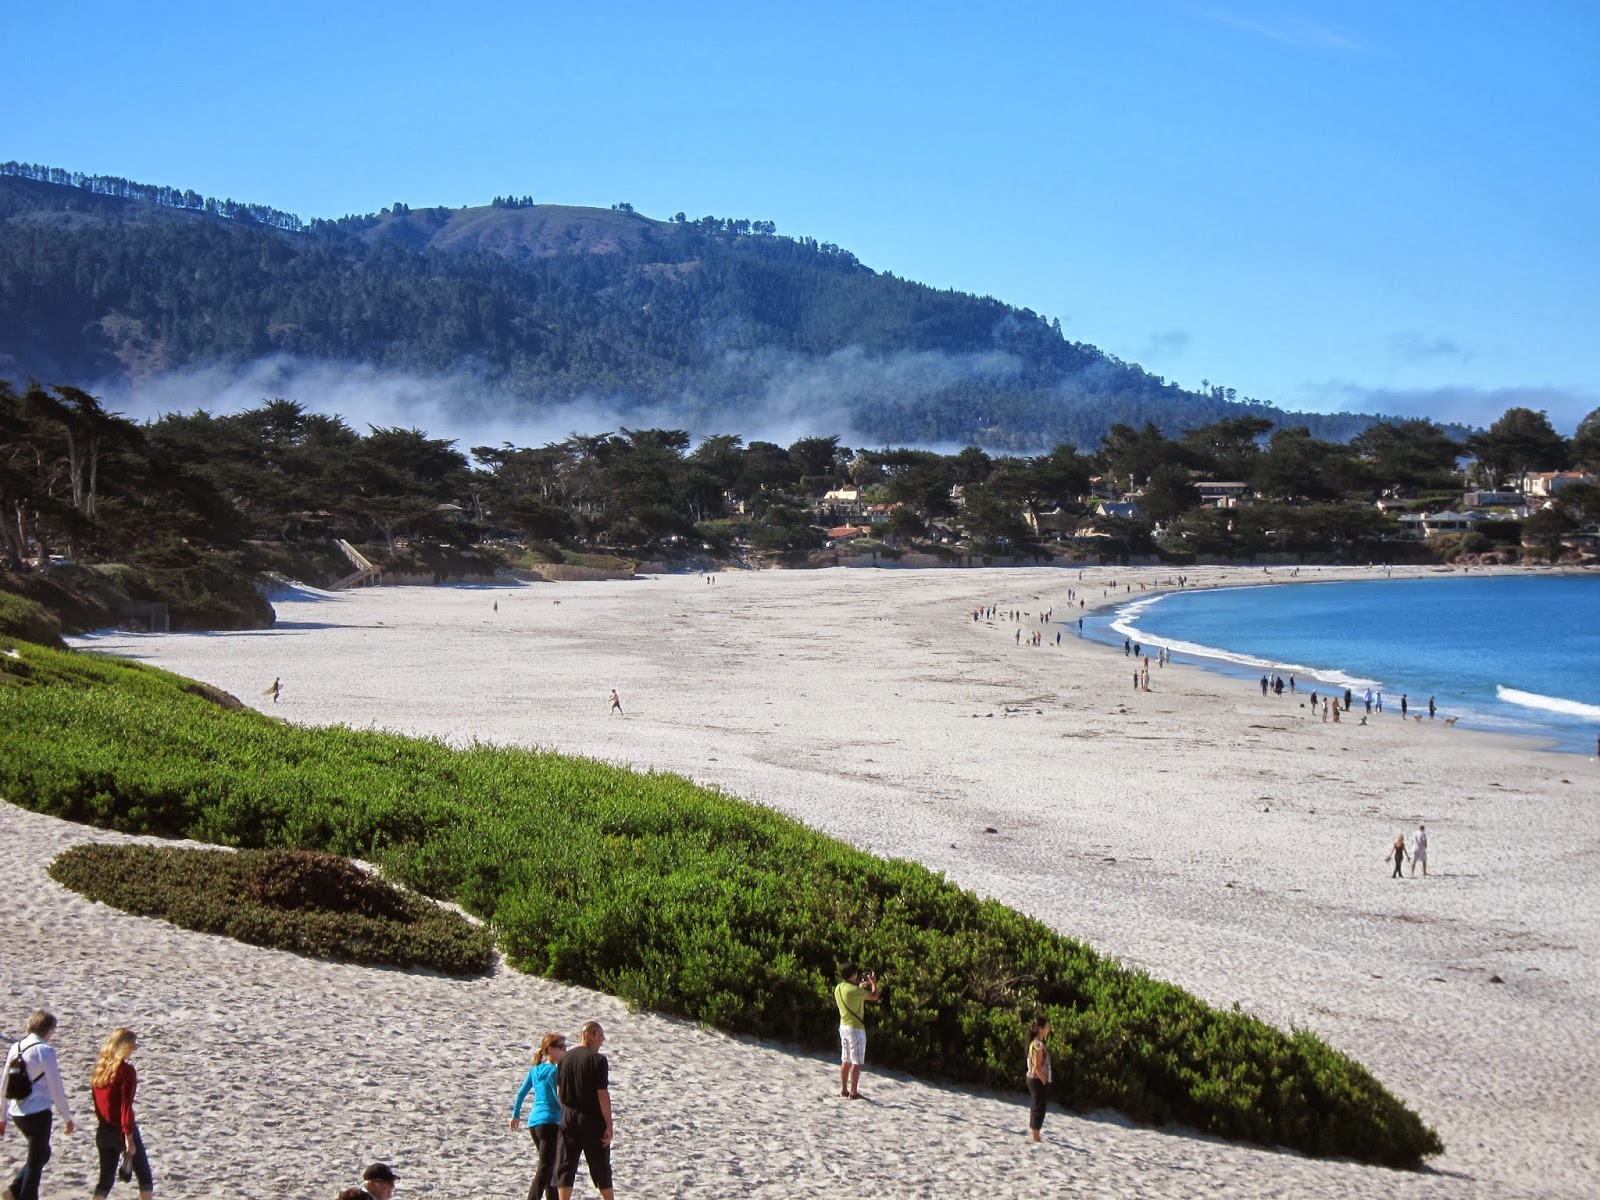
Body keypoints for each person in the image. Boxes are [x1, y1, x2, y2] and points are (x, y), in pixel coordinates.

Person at [0, 1009, 75, 1200]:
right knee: (35, 1165)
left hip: (17, 1112)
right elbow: (55, 1088)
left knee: (42, 1153)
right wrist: (67, 1117)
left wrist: (2, 1117)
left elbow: (4, 1085)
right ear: (48, 1029)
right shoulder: (45, 1051)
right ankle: (24, 1195)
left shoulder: (15, 1047)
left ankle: (15, 1189)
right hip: (39, 1113)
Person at [554, 1022, 614, 1200]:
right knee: (600, 1164)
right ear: (592, 1035)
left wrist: (566, 1110)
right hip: (591, 1117)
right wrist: (608, 1124)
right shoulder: (598, 1060)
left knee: (566, 1163)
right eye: (601, 1036)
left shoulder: (565, 1058)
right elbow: (602, 1094)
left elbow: (559, 1092)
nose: (602, 1041)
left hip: (568, 1115)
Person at [90, 1027, 152, 1200]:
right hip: (122, 1131)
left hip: (103, 1129)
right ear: (125, 1047)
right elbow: (125, 1107)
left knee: (105, 1181)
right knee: (145, 1178)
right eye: (133, 1046)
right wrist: (129, 1138)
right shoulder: (126, 1072)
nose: (134, 1050)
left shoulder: (100, 1070)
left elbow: (98, 1104)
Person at [511, 1033, 568, 1200]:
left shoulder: (535, 1069)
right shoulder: (553, 1072)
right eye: (561, 1047)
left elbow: (521, 1093)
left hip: (534, 1123)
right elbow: (559, 1098)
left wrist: (516, 1115)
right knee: (545, 1167)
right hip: (550, 1122)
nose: (564, 1050)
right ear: (550, 1049)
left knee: (550, 1166)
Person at [834, 964, 881, 1100]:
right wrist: (873, 983)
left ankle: (843, 1090)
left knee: (845, 1059)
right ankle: (853, 1092)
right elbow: (874, 996)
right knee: (856, 1062)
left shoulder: (839, 988)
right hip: (856, 1028)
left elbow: (854, 993)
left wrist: (862, 985)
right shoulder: (854, 990)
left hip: (844, 1026)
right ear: (853, 974)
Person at [1025, 1019, 1052, 1142]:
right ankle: (1036, 1135)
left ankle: (1035, 1133)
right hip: (1037, 1079)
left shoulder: (1035, 1043)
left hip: (1034, 1079)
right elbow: (1037, 1066)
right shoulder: (1038, 1044)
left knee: (1037, 1105)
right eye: (1046, 1027)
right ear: (1041, 1029)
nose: (1048, 1029)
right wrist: (1044, 1079)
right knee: (1039, 1107)